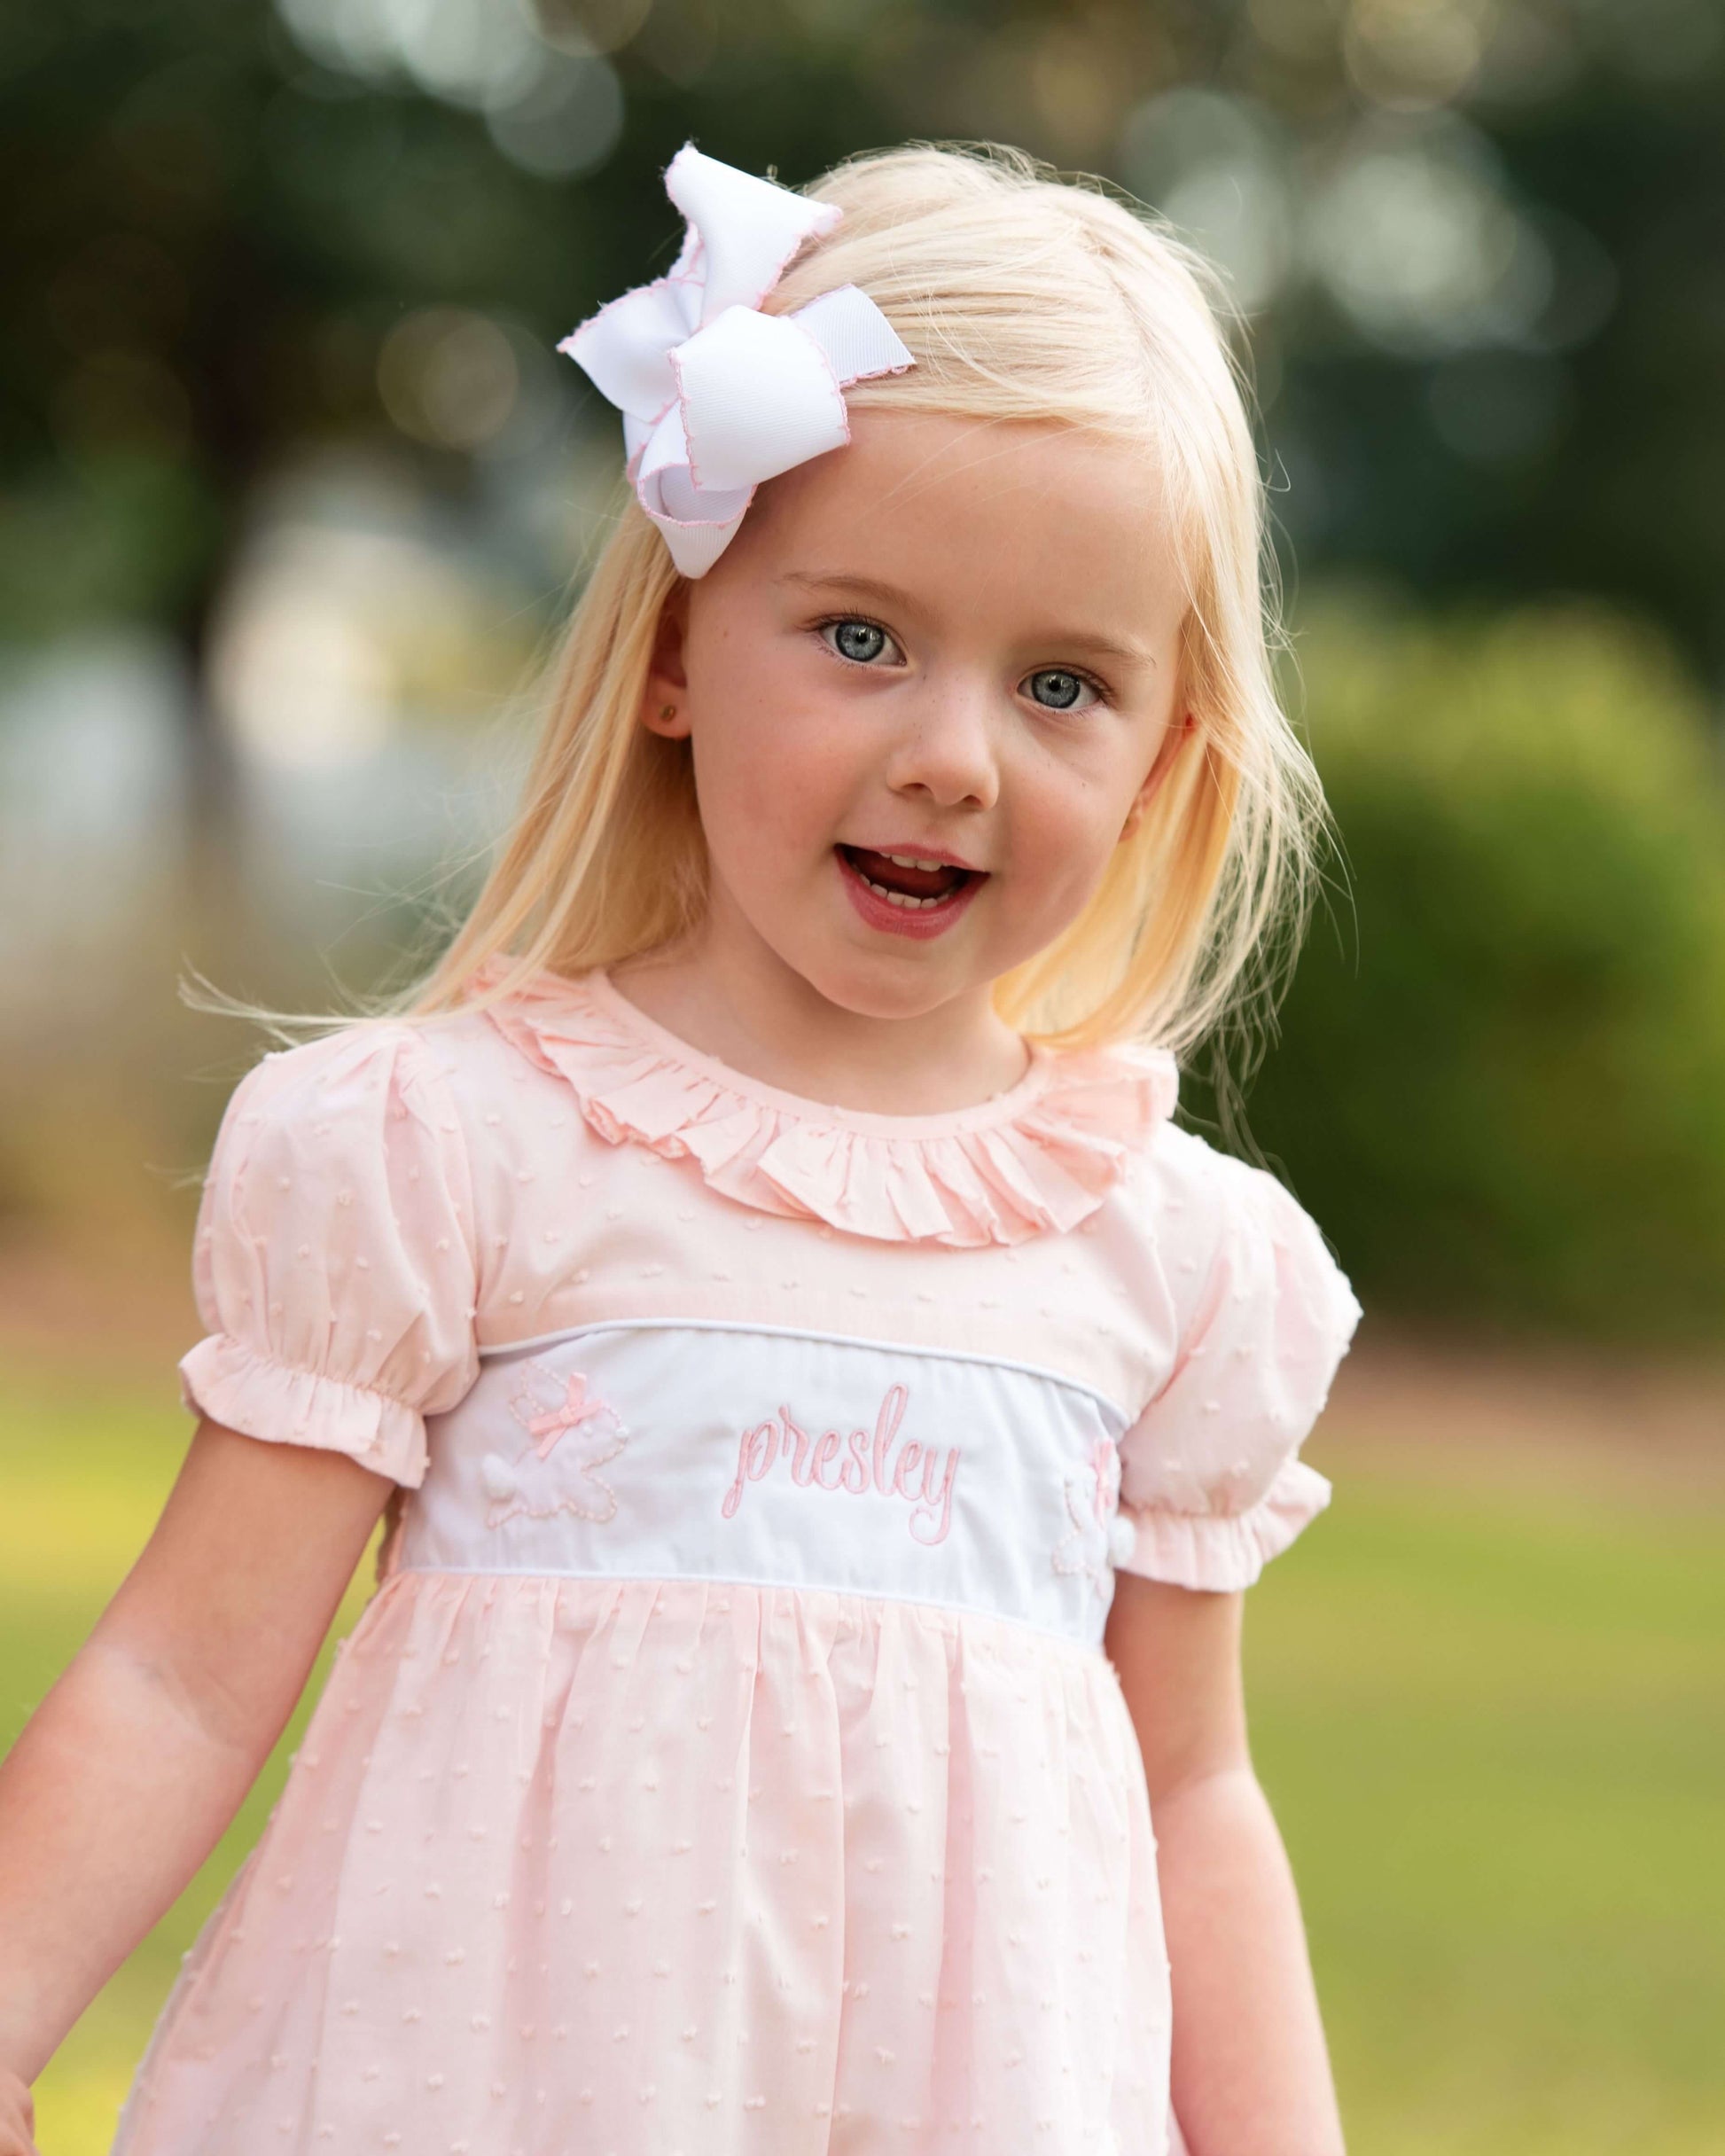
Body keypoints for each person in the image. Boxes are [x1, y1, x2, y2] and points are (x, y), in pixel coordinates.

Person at [0, 140, 1362, 2156]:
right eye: (862, 638)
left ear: (1165, 757)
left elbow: (1188, 1793)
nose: (948, 753)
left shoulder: (1169, 1265)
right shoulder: (450, 1155)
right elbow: (185, 1679)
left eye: (1060, 682)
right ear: (668, 650)